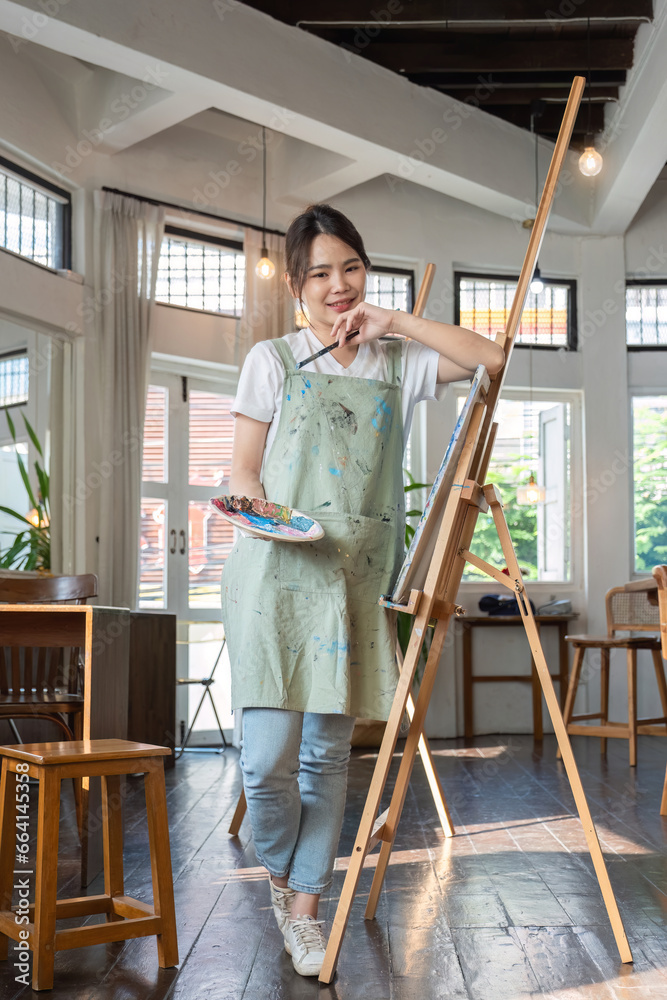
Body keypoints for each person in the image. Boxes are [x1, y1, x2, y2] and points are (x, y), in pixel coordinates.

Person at [221, 203, 504, 977]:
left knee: (326, 760)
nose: (338, 285)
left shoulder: (394, 361)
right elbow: (241, 473)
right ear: (295, 284)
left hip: (352, 580)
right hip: (277, 576)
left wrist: (398, 321)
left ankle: (306, 906)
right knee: (265, 764)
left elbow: (492, 355)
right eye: (320, 273)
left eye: (350, 267)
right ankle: (283, 872)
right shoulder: (272, 360)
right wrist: (264, 514)